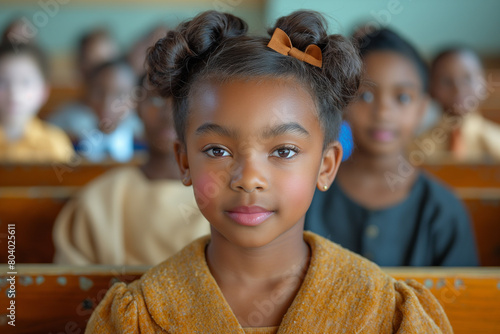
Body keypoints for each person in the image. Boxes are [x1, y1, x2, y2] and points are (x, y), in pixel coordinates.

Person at [86, 11, 452, 332]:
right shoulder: (137, 317)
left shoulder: (384, 311)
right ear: (184, 162)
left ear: (326, 166)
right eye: (217, 150)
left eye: (283, 151)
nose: (248, 178)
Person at [306, 28, 478, 267]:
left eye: (402, 98)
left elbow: (463, 301)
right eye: (365, 96)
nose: (383, 112)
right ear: (343, 101)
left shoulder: (444, 211)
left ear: (422, 109)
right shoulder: (306, 197)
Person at [53, 75, 209, 265]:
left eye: (182, 101)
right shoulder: (100, 197)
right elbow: (71, 283)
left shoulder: (220, 198)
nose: (168, 114)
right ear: (137, 108)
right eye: (155, 99)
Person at [413, 47, 500, 161]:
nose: (458, 89)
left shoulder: (495, 141)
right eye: (446, 81)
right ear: (430, 88)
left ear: (484, 84)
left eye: (467, 79)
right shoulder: (416, 148)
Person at [50, 58, 143, 162]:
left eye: (119, 95)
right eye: (99, 92)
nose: (106, 103)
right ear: (88, 95)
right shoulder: (68, 139)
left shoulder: (143, 142)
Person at [0, 42, 74, 163]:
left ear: (43, 91)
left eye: (26, 82)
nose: (14, 93)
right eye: (2, 82)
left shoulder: (55, 143)